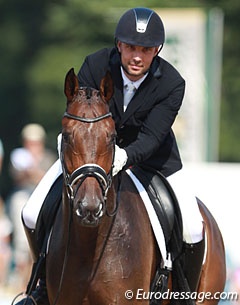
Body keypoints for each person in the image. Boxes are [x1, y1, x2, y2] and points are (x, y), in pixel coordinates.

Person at [17, 7, 204, 305]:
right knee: (30, 211)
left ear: (157, 50)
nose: (137, 57)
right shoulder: (95, 64)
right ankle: (41, 285)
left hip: (154, 160)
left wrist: (122, 157)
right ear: (119, 45)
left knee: (193, 226)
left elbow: (153, 137)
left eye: (145, 49)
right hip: (90, 156)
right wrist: (70, 142)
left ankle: (183, 294)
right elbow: (81, 111)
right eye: (130, 47)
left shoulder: (171, 83)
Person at [7, 124, 56, 291]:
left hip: (42, 199)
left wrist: (32, 171)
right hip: (23, 196)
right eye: (30, 142)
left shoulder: (48, 157)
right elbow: (18, 178)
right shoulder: (18, 156)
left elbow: (47, 180)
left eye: (35, 142)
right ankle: (20, 278)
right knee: (20, 209)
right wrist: (34, 172)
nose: (32, 145)